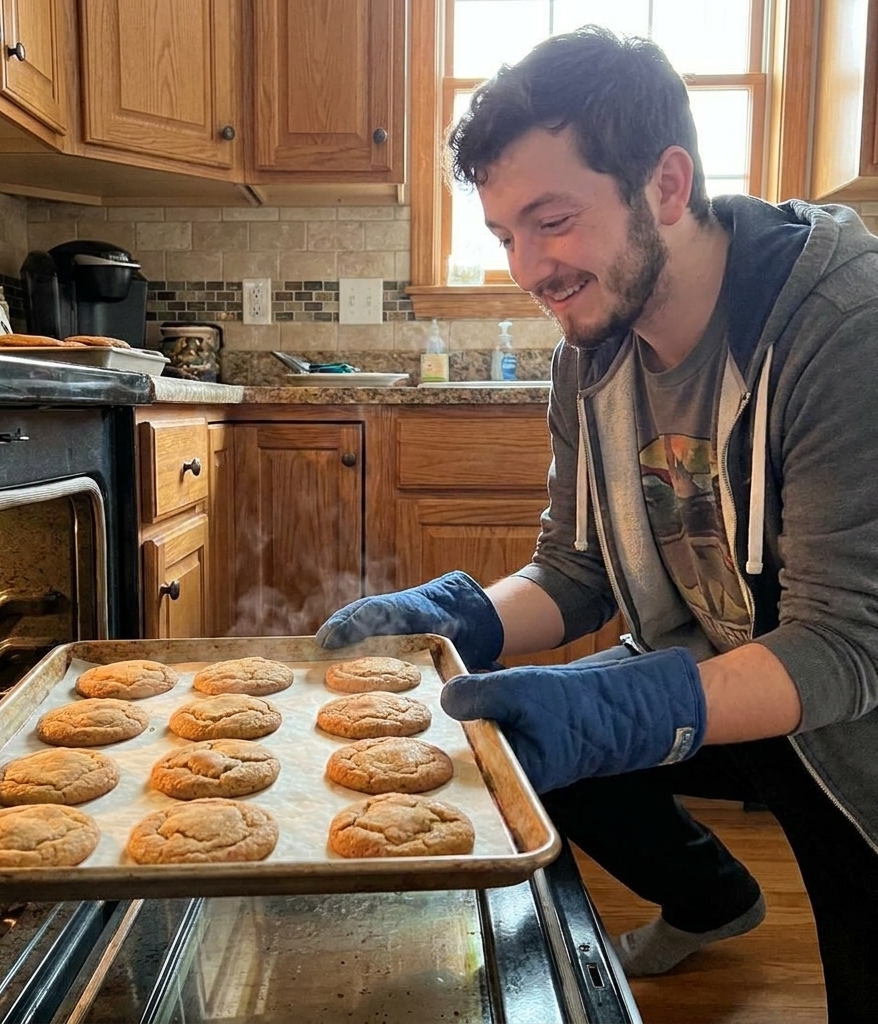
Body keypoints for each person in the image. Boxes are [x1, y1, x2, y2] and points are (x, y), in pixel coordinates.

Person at [315, 25, 878, 1022]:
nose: (528, 267)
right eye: (503, 236)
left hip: (850, 726)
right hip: (709, 657)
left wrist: (615, 710)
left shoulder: (841, 324)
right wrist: (453, 621)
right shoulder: (595, 347)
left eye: (552, 220)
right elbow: (573, 566)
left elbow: (845, 648)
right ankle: (712, 899)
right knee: (504, 732)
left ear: (665, 184)